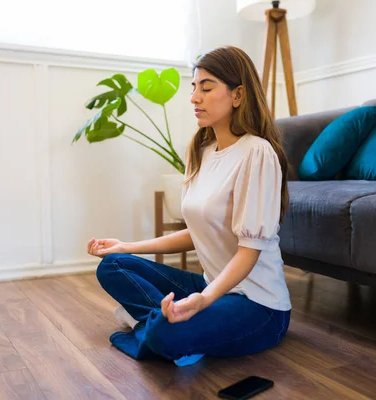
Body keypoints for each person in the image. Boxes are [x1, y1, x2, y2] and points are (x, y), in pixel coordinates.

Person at [87, 46, 292, 367]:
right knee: (113, 265)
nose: (195, 97)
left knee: (163, 337)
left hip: (257, 305)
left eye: (206, 88)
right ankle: (162, 320)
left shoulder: (257, 152)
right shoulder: (203, 151)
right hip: (211, 286)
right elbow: (195, 233)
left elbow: (249, 251)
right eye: (194, 88)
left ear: (238, 95)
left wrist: (203, 301)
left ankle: (153, 325)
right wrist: (125, 246)